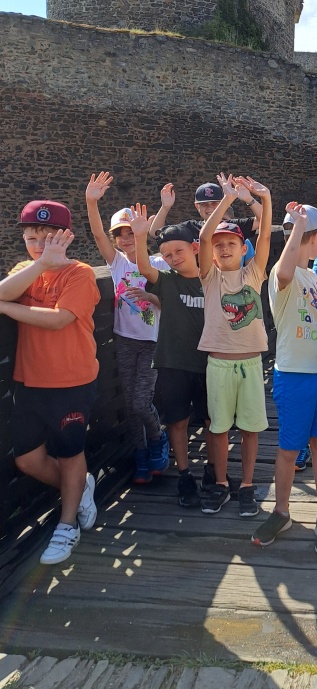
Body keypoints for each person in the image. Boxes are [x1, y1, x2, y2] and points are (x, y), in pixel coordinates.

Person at [0, 201, 100, 565]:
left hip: (71, 380)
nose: (39, 245)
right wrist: (41, 264)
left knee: (71, 454)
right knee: (27, 459)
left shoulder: (81, 273)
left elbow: (59, 320)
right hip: (29, 380)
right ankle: (80, 486)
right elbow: (2, 291)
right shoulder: (26, 270)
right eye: (32, 238)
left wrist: (7, 309)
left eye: (48, 238)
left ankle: (67, 523)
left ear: (66, 237)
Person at [254, 203, 317, 554]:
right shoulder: (283, 274)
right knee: (288, 449)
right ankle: (282, 511)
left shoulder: (311, 278)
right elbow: (284, 271)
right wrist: (297, 226)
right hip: (294, 375)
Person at [85, 171, 169, 485]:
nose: (125, 239)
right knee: (131, 406)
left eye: (131, 232)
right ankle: (141, 455)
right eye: (119, 234)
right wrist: (91, 202)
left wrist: (150, 297)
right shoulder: (118, 262)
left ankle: (158, 438)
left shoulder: (158, 264)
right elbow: (97, 236)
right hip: (124, 340)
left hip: (151, 342)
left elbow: (169, 303)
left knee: (140, 402)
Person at [196, 174, 272, 516]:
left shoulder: (253, 274)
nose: (224, 248)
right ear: (212, 254)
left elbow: (265, 234)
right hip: (219, 364)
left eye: (232, 243)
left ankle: (247, 485)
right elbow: (203, 236)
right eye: (219, 245)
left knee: (250, 429)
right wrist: (226, 199)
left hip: (251, 364)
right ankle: (222, 483)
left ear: (244, 250)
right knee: (219, 428)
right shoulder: (209, 277)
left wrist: (265, 199)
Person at [132, 207, 211, 508]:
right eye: (167, 255)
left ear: (194, 248)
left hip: (208, 362)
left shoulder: (211, 278)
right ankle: (184, 475)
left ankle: (213, 471)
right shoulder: (166, 280)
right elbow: (144, 267)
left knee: (212, 421)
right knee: (177, 421)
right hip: (172, 362)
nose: (174, 258)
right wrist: (140, 236)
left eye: (179, 251)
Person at [149, 180, 262, 246]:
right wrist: (165, 207)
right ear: (196, 206)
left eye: (214, 203)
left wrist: (249, 199)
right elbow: (156, 233)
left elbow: (263, 220)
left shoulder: (233, 226)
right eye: (204, 204)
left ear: (223, 204)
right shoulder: (190, 227)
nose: (209, 207)